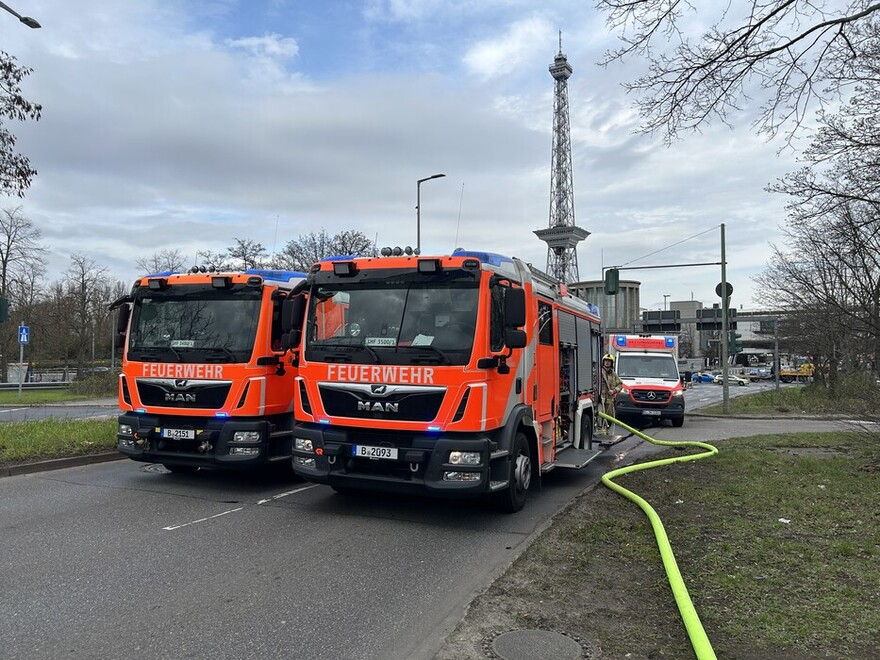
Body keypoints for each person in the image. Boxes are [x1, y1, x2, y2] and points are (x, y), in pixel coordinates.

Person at [598, 353, 623, 434]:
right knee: (600, 417)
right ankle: (601, 431)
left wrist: (614, 390)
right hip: (600, 399)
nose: (607, 363)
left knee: (609, 418)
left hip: (609, 400)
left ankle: (606, 432)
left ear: (612, 363)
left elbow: (620, 385)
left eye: (609, 361)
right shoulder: (599, 373)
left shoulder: (613, 375)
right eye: (606, 361)